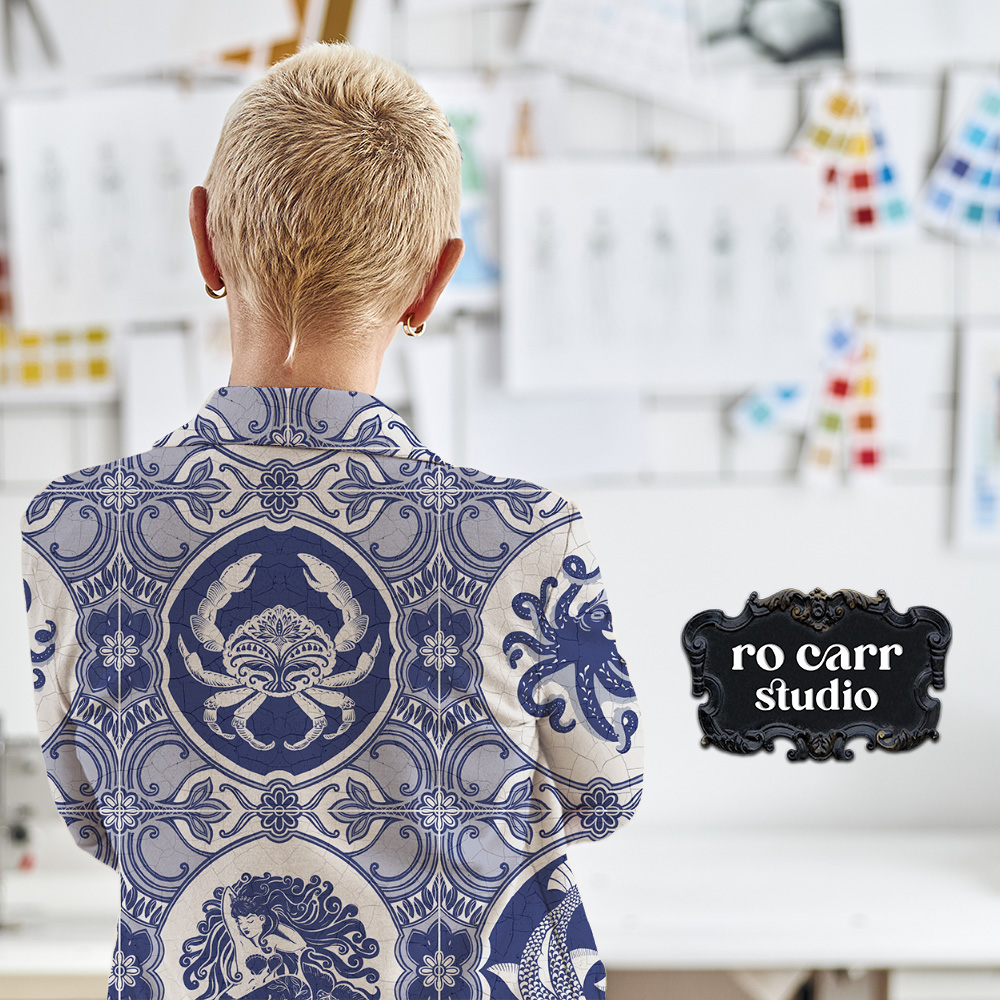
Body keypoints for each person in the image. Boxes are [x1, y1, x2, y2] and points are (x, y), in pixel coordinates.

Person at [21, 42, 643, 1000]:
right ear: (435, 281)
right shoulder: (528, 538)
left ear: (205, 241)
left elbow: (95, 823)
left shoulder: (72, 535)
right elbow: (604, 796)